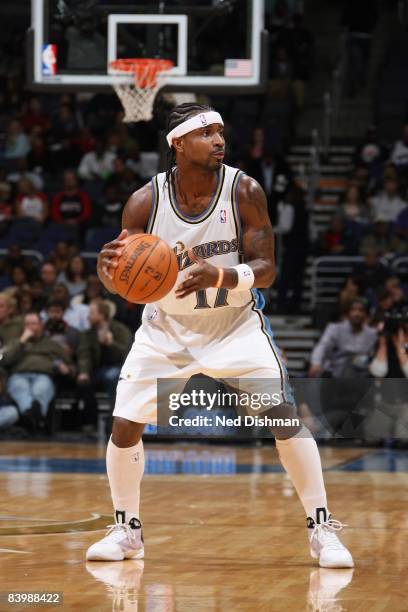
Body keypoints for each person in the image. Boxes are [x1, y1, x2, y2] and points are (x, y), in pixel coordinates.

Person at [86, 103, 354, 568]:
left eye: (220, 132)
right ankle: (127, 530)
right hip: (166, 331)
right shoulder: (144, 202)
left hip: (235, 328)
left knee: (283, 418)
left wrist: (222, 276)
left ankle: (321, 528)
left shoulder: (243, 190)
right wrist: (107, 273)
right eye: (206, 132)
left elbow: (268, 270)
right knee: (125, 424)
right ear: (178, 143)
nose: (218, 140)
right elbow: (125, 280)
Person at [1, 312, 74, 430]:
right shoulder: (16, 342)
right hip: (19, 375)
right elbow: (4, 360)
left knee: (40, 388)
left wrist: (67, 369)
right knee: (20, 387)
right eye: (27, 324)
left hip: (43, 375)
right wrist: (21, 341)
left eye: (34, 324)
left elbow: (70, 366)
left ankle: (30, 416)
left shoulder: (52, 344)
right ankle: (36, 417)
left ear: (41, 325)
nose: (30, 327)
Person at [309, 299, 378, 378]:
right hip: (336, 372)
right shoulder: (335, 329)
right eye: (353, 310)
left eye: (361, 310)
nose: (357, 314)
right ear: (348, 314)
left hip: (360, 374)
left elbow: (372, 356)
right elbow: (322, 346)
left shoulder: (372, 334)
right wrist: (316, 363)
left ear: (366, 314)